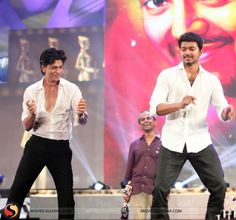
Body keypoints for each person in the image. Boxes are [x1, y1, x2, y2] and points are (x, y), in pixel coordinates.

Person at [149, 32, 236, 220]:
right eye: (183, 49)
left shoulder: (211, 80)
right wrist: (179, 104)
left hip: (200, 141)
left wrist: (226, 113)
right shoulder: (167, 75)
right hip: (172, 141)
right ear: (180, 51)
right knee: (159, 189)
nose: (187, 52)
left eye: (191, 49)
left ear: (200, 51)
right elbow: (155, 108)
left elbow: (222, 108)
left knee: (219, 186)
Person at [1, 48, 87, 220]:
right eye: (53, 67)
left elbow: (82, 121)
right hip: (36, 146)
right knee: (17, 192)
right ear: (43, 68)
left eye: (60, 67)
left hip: (60, 149)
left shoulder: (71, 89)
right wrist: (33, 114)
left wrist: (80, 114)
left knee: (66, 199)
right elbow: (27, 126)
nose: (58, 71)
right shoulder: (31, 91)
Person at [122, 110, 161, 220]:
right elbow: (129, 169)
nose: (145, 121)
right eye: (142, 119)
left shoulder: (163, 144)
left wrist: (166, 188)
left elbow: (167, 168)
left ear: (155, 122)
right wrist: (126, 189)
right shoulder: (134, 145)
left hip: (156, 189)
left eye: (148, 118)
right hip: (137, 188)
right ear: (140, 123)